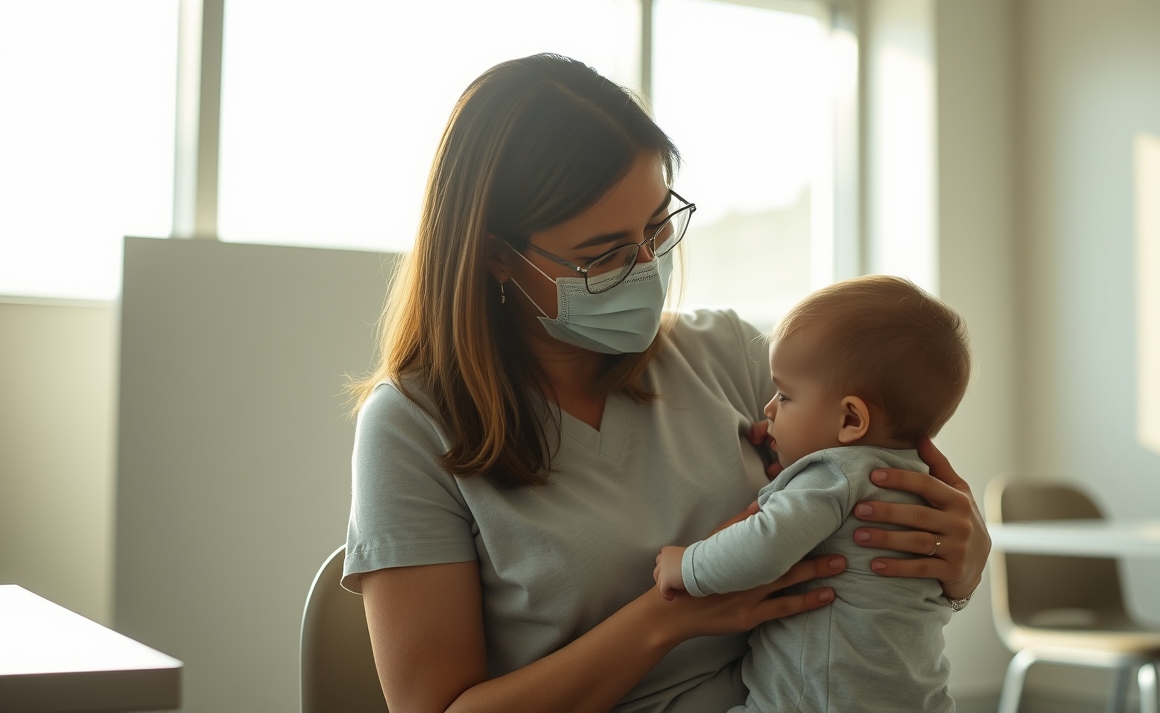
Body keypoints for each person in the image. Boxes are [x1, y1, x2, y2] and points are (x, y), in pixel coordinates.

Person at [342, 53, 990, 713]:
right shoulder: (412, 426)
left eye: (657, 227)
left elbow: (881, 508)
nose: (648, 267)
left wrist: (959, 557)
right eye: (604, 256)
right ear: (496, 257)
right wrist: (671, 615)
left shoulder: (732, 356)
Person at [654, 275, 970, 713]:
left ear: (851, 420)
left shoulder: (833, 474)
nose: (768, 409)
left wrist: (687, 564)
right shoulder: (916, 484)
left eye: (784, 396)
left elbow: (764, 546)